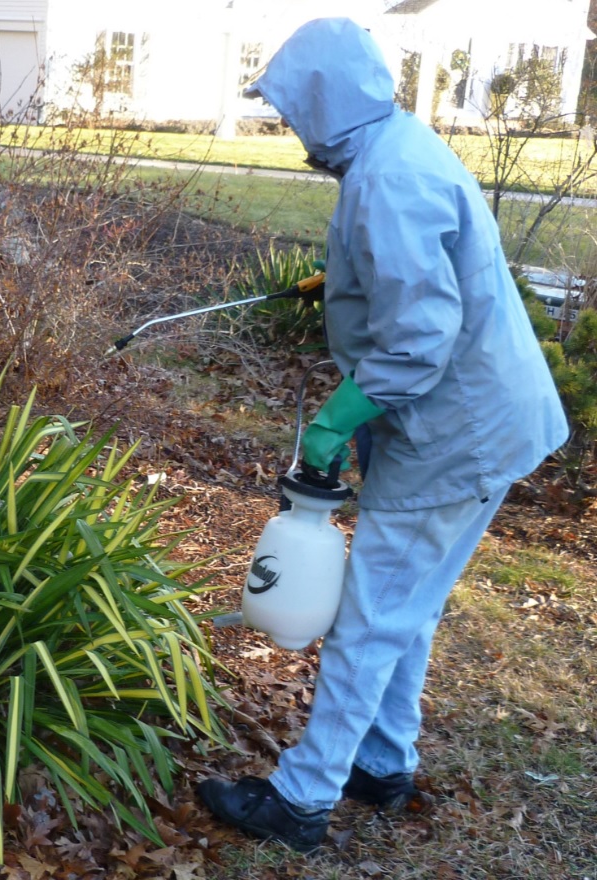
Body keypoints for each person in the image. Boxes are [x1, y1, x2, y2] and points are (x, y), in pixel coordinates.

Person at [197, 17, 568, 853]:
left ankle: (302, 801)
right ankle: (383, 759)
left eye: (292, 111)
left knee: (369, 618)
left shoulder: (387, 180)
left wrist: (337, 419)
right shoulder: (397, 148)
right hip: (485, 419)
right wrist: (348, 282)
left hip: (455, 434)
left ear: (323, 101)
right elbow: (418, 281)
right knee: (408, 606)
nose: (290, 128)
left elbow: (419, 339)